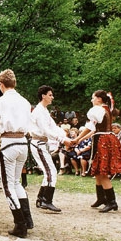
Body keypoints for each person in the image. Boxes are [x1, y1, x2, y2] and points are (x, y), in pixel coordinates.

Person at [0, 69, 33, 238]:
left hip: (8, 143)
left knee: (7, 185)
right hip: (22, 142)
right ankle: (27, 218)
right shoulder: (25, 102)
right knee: (17, 182)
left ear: (1, 85)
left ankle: (20, 224)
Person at [71, 90, 121, 213]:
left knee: (102, 172)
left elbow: (90, 127)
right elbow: (94, 129)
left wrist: (77, 139)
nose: (91, 100)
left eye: (93, 98)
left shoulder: (97, 110)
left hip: (103, 140)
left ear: (99, 99)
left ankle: (112, 201)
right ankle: (101, 198)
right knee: (98, 170)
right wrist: (80, 139)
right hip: (104, 138)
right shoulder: (105, 109)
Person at [30, 85, 72, 213]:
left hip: (41, 143)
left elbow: (53, 127)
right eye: (50, 95)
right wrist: (62, 140)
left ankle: (41, 198)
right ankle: (46, 201)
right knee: (51, 171)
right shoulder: (38, 111)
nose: (52, 97)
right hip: (38, 143)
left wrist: (65, 137)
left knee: (49, 171)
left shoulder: (44, 110)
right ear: (43, 96)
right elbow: (45, 130)